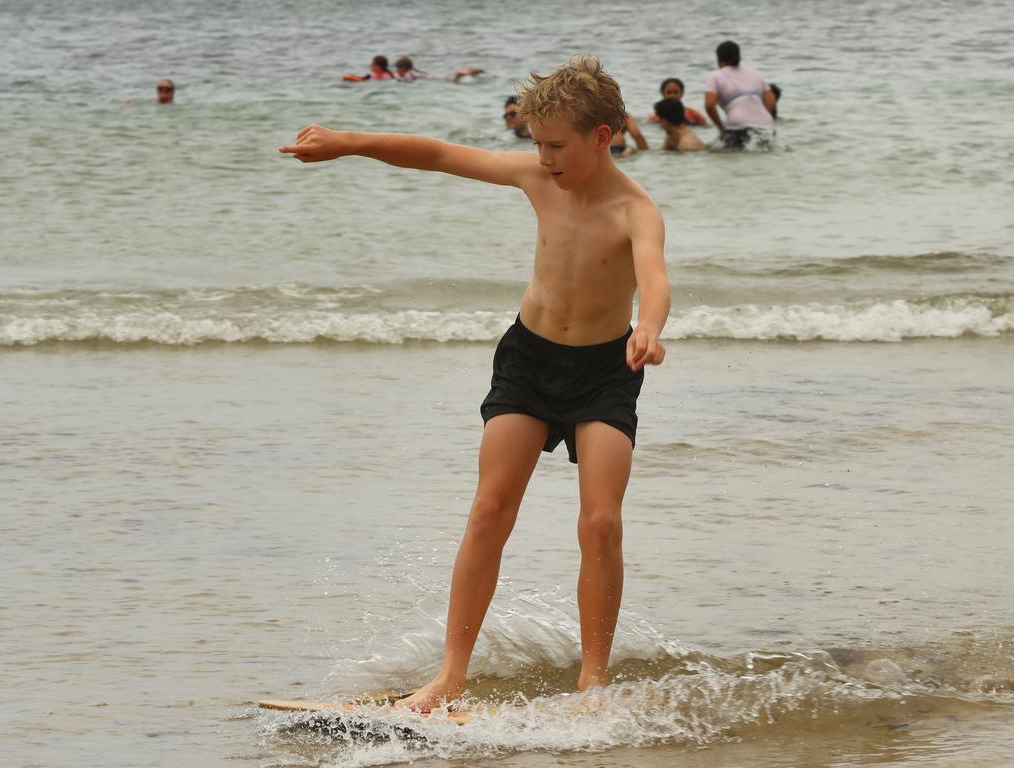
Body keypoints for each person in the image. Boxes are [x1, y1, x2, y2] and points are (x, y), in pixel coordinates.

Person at [279, 55, 670, 711]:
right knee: (490, 512)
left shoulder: (638, 211)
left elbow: (654, 279)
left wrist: (650, 328)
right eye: (536, 144)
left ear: (602, 137)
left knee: (599, 523)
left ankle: (593, 682)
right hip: (529, 359)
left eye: (556, 146)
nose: (542, 158)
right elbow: (437, 153)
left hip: (608, 370)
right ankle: (448, 678)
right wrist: (349, 143)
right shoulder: (536, 176)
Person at [704, 41, 777, 150]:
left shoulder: (715, 75)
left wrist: (721, 128)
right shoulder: (755, 74)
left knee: (717, 154)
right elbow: (771, 102)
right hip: (766, 127)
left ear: (719, 59)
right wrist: (758, 118)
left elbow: (709, 105)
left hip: (738, 127)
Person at [395, 56, 485, 82]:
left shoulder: (408, 74)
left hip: (430, 79)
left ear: (402, 68)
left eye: (398, 69)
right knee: (448, 78)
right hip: (430, 77)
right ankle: (470, 70)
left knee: (453, 79)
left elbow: (407, 80)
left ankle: (463, 73)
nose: (397, 71)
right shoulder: (413, 72)